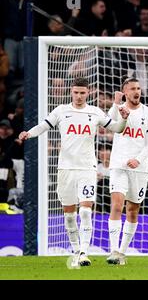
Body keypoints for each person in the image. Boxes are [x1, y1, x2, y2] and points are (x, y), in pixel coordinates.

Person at [18, 77, 129, 267]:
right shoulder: (61, 111)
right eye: (76, 92)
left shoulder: (94, 112)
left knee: (85, 211)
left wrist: (124, 118)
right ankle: (76, 250)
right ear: (71, 92)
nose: (79, 96)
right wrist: (29, 133)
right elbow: (44, 126)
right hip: (65, 169)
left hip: (87, 168)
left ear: (88, 93)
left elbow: (117, 128)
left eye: (82, 93)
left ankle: (85, 252)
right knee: (69, 215)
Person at [106, 77, 148, 265]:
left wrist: (138, 159)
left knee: (133, 210)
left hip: (140, 167)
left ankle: (122, 251)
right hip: (119, 164)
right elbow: (109, 124)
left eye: (139, 88)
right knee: (117, 205)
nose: (137, 91)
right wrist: (115, 103)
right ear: (125, 92)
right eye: (133, 89)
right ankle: (113, 250)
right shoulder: (119, 110)